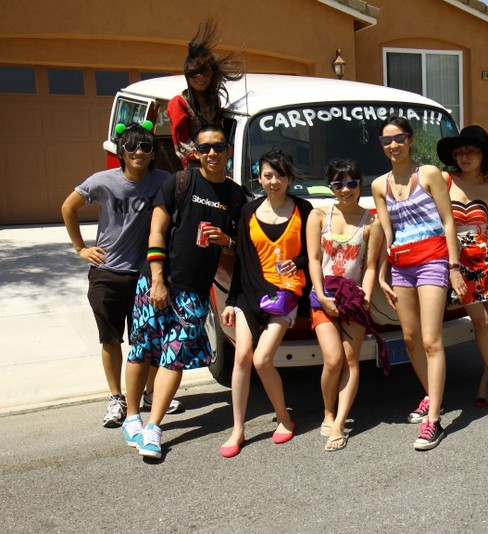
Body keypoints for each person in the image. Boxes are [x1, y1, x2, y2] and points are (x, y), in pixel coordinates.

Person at [121, 125, 247, 460]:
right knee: (142, 350)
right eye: (205, 148)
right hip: (157, 281)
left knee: (173, 356)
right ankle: (131, 416)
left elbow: (238, 247)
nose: (212, 153)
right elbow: (156, 231)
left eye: (218, 147)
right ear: (197, 153)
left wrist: (227, 240)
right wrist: (158, 279)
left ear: (228, 150)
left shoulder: (236, 196)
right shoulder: (179, 182)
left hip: (195, 292)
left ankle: (153, 427)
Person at [61, 122, 169, 427]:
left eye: (145, 147)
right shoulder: (103, 181)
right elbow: (68, 207)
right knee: (110, 340)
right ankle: (116, 398)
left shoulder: (164, 181)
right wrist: (81, 248)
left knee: (147, 341)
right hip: (106, 274)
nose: (138, 152)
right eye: (131, 146)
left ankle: (150, 393)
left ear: (153, 153)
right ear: (121, 152)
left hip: (145, 276)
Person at [372, 115, 466, 451]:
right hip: (402, 267)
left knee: (430, 340)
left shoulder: (427, 174)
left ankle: (434, 420)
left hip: (432, 261)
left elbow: (448, 221)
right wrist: (381, 274)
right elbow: (387, 234)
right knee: (410, 339)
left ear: (410, 140)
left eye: (399, 138)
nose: (393, 145)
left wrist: (454, 266)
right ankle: (431, 393)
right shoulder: (379, 186)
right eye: (386, 140)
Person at [218, 150, 312, 458]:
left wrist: (298, 263)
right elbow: (242, 261)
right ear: (259, 178)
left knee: (262, 359)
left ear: (289, 178)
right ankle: (238, 429)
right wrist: (232, 300)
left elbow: (314, 254)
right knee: (242, 356)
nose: (274, 181)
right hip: (250, 292)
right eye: (268, 175)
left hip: (285, 293)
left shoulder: (303, 209)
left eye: (280, 175)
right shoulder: (248, 211)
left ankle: (284, 418)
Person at [307, 159, 382, 451]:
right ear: (331, 186)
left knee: (351, 360)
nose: (345, 189)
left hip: (353, 298)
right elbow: (314, 259)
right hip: (323, 295)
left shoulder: (371, 223)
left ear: (360, 184)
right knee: (333, 358)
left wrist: (366, 296)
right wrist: (321, 295)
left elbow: (371, 266)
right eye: (338, 184)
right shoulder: (318, 216)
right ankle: (328, 411)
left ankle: (339, 422)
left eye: (351, 183)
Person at [436, 126, 488, 410]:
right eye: (459, 152)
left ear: (482, 156)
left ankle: (485, 381)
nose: (464, 157)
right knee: (480, 322)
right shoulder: (445, 180)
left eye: (471, 152)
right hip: (458, 263)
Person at [167, 20, 243, 168]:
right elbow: (182, 143)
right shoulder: (178, 103)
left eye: (205, 72)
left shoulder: (214, 100)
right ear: (187, 75)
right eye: (194, 73)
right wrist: (206, 156)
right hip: (195, 166)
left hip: (218, 162)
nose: (200, 77)